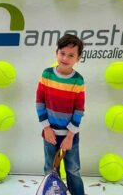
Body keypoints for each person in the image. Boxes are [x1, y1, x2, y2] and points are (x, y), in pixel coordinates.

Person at [36, 34, 85, 195]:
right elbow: (40, 103)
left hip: (70, 137)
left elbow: (79, 111)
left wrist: (70, 136)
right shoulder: (46, 75)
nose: (65, 58)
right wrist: (47, 128)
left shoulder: (78, 81)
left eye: (71, 55)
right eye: (62, 53)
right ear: (56, 52)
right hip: (50, 135)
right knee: (50, 170)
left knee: (73, 170)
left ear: (78, 58)